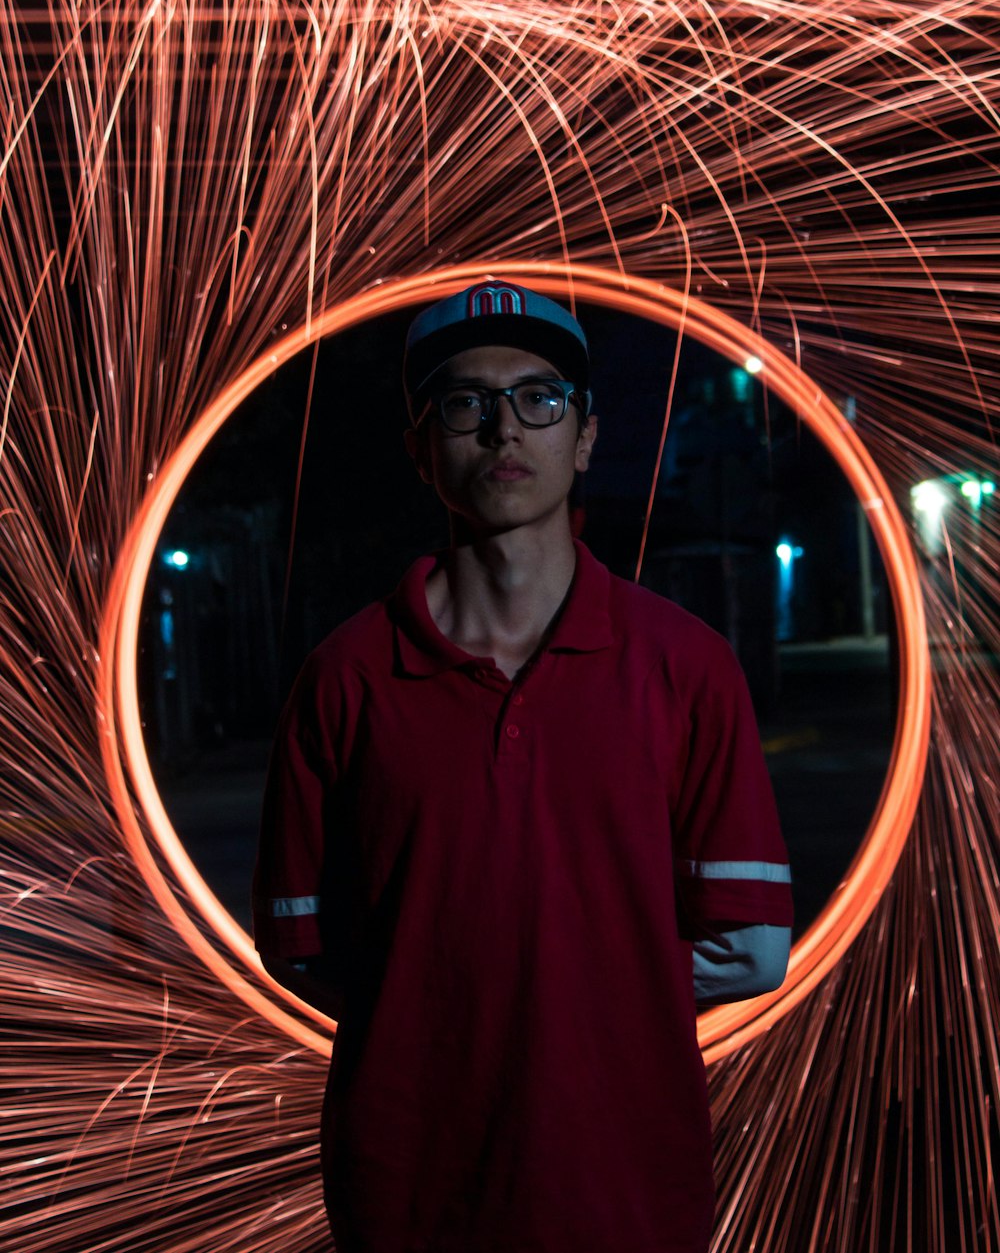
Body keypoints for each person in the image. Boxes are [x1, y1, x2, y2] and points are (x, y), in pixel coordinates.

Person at [253, 279, 793, 1253]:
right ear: (421, 449)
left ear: (584, 436)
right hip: (407, 1194)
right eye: (464, 402)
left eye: (539, 398)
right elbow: (300, 950)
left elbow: (751, 945)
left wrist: (514, 990)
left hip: (629, 1192)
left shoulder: (686, 666)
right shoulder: (341, 679)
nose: (505, 428)